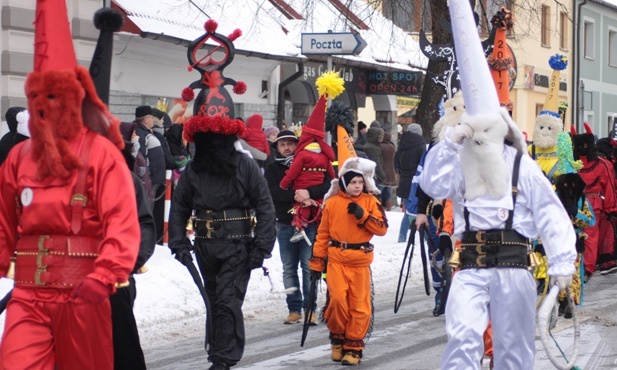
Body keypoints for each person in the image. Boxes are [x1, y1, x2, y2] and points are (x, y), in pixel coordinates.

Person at [420, 2, 576, 368]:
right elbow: (432, 185)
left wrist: (562, 260)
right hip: (470, 266)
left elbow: (551, 214)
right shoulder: (461, 163)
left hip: (513, 268)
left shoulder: (522, 166)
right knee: (461, 340)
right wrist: (449, 143)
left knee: (514, 350)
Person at [0, 1, 140, 368]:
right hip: (28, 295)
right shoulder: (18, 157)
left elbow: (121, 222)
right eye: (36, 98)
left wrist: (106, 274)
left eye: (53, 97)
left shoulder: (102, 154)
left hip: (83, 294)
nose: (43, 107)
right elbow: (1, 219)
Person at [168, 114, 276, 370]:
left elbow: (264, 205)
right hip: (205, 245)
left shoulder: (244, 165)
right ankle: (218, 352)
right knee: (214, 299)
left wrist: (261, 246)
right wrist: (178, 242)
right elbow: (180, 206)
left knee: (227, 301)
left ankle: (223, 359)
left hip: (237, 245)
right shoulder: (195, 168)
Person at [309, 157, 388, 366]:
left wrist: (363, 216)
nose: (357, 186)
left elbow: (382, 229)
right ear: (344, 183)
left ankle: (353, 347)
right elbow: (323, 234)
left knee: (359, 307)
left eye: (360, 182)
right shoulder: (332, 203)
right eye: (353, 182)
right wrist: (317, 262)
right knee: (336, 301)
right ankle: (338, 339)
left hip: (360, 262)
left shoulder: (371, 202)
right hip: (337, 260)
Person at [265, 130, 331, 324]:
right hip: (285, 223)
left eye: (290, 144)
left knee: (308, 266)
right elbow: (273, 192)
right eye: (282, 144)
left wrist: (308, 192)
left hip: (309, 223)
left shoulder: (310, 163)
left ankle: (310, 308)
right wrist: (297, 196)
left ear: (297, 145)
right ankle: (294, 308)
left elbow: (326, 184)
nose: (287, 148)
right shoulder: (273, 169)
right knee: (288, 268)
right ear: (277, 147)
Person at [113, 122, 157, 370]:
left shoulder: (123, 178)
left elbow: (143, 223)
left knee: (121, 349)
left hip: (114, 279)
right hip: (66, 283)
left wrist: (130, 260)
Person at [134, 105, 167, 242]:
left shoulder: (133, 132)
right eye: (152, 117)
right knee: (145, 215)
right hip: (146, 182)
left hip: (137, 180)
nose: (153, 120)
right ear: (146, 119)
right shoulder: (145, 136)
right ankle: (143, 242)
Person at [395, 123, 426, 242]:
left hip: (404, 180)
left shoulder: (402, 144)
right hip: (416, 182)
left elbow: (396, 162)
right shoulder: (421, 145)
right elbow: (423, 163)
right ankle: (427, 238)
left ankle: (402, 237)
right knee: (421, 211)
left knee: (408, 210)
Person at [379, 131, 397, 210]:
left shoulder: (380, 146)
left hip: (382, 171)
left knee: (379, 192)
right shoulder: (391, 146)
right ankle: (388, 208)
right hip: (390, 172)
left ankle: (380, 208)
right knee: (388, 193)